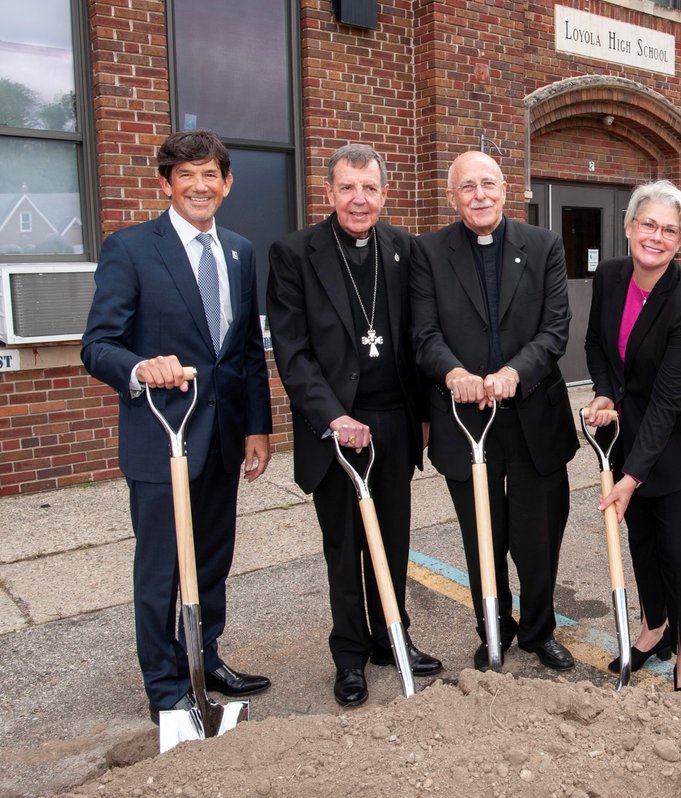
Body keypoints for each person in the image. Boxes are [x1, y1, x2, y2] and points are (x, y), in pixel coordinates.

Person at [81, 130, 272, 722]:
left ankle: (204, 654)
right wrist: (141, 366)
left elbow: (242, 353)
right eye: (186, 176)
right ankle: (167, 686)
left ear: (227, 183)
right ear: (165, 184)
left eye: (210, 175)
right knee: (163, 569)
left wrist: (257, 429)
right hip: (162, 439)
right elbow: (98, 344)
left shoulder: (240, 252)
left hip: (220, 440)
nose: (199, 186)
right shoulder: (132, 249)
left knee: (212, 558)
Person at [266, 144, 442, 707]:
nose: (358, 200)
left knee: (392, 539)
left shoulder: (403, 249)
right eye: (347, 188)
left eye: (369, 188)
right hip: (335, 425)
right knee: (343, 546)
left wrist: (423, 416)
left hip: (392, 419)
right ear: (329, 193)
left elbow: (418, 338)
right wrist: (333, 416)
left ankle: (393, 636)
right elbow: (291, 352)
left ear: (384, 194)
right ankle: (349, 655)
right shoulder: (294, 253)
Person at [411, 151, 580, 672]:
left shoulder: (545, 245)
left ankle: (538, 629)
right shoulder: (428, 252)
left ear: (507, 190)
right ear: (451, 196)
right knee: (482, 533)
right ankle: (493, 629)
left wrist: (514, 372)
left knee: (538, 536)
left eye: (488, 184)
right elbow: (423, 334)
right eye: (467, 187)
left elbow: (554, 330)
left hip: (532, 415)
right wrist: (454, 373)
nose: (479, 195)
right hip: (465, 420)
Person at [583, 180, 681, 692]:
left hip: (676, 445)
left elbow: (667, 401)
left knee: (678, 548)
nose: (656, 237)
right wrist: (603, 394)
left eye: (669, 230)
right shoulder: (612, 275)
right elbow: (596, 344)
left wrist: (632, 476)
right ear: (629, 226)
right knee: (640, 542)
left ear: (680, 241)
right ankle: (653, 626)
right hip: (625, 435)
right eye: (648, 224)